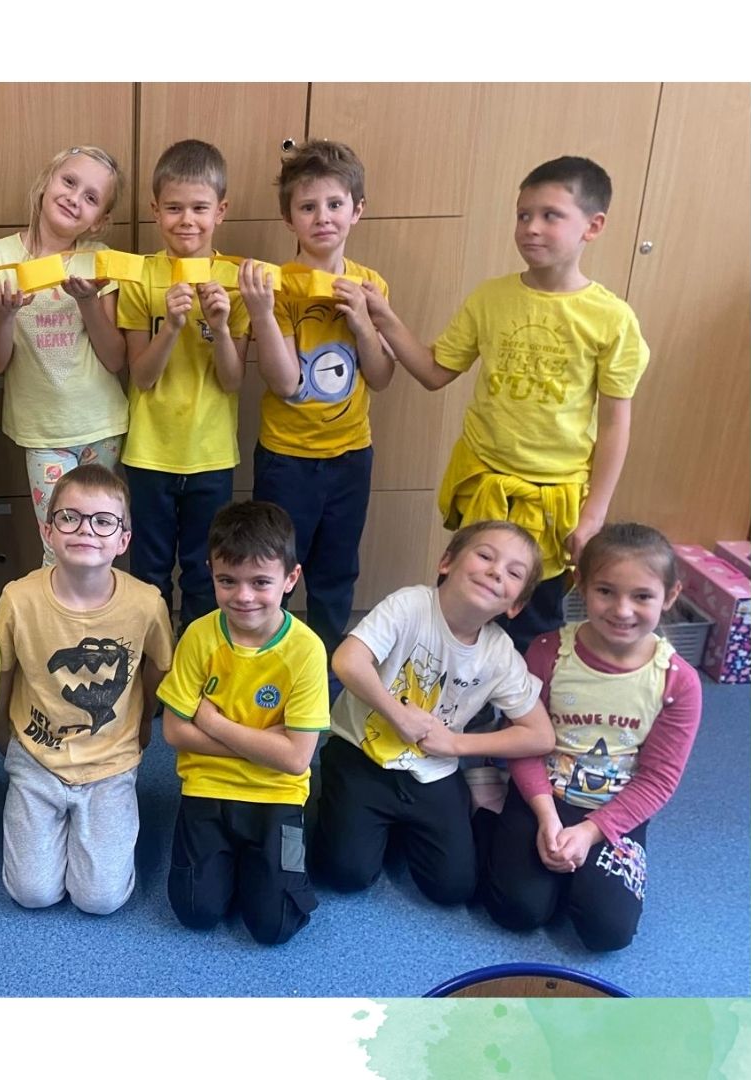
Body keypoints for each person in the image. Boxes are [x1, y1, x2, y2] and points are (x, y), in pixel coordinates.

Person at [362, 156, 651, 650]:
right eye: (523, 215)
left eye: (550, 215)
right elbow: (433, 372)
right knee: (458, 612)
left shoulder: (613, 319)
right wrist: (384, 318)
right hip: (485, 487)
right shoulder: (490, 298)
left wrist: (592, 517)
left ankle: (518, 699)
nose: (530, 227)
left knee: (531, 626)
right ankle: (442, 692)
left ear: (593, 226)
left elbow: (614, 425)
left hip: (553, 500)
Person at [481, 523, 702, 952]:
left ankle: (578, 872)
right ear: (580, 585)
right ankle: (488, 815)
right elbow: (523, 739)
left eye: (642, 596)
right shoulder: (547, 651)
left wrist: (590, 832)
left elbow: (658, 779)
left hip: (617, 811)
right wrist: (547, 817)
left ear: (670, 595)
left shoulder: (678, 681)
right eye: (606, 591)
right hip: (542, 796)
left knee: (608, 932)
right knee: (516, 911)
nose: (622, 610)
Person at [314, 520, 556, 906]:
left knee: (452, 888)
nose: (496, 571)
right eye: (485, 556)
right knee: (346, 874)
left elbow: (540, 735)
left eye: (514, 573)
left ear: (515, 605)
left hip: (433, 769)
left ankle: (412, 817)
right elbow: (347, 660)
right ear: (447, 562)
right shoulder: (410, 605)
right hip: (361, 752)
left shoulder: (499, 653)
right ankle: (358, 813)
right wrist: (397, 714)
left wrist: (457, 745)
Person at [0, 463, 172, 914]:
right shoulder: (17, 599)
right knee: (32, 893)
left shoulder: (146, 603)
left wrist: (145, 724)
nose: (86, 530)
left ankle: (93, 824)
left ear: (123, 539)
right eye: (70, 518)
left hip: (111, 762)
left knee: (101, 899)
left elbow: (158, 666)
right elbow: (3, 673)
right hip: (36, 757)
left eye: (103, 521)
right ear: (48, 531)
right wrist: (1, 733)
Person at [240, 139, 395, 657]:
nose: (323, 217)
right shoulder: (277, 286)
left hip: (351, 455)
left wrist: (363, 323)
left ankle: (326, 669)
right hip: (287, 459)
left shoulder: (371, 285)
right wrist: (261, 313)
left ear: (357, 210)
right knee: (272, 569)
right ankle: (269, 660)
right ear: (289, 219)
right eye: (308, 207)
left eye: (334, 204)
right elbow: (285, 384)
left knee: (336, 571)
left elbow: (381, 376)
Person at [159, 501, 328, 945]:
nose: (244, 596)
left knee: (275, 927)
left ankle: (264, 865)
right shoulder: (199, 635)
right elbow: (173, 732)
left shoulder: (307, 649)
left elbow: (295, 760)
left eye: (261, 582)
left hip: (278, 793)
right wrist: (265, 743)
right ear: (211, 573)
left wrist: (212, 722)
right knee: (196, 912)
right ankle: (236, 865)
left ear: (290, 578)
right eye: (227, 580)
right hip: (207, 785)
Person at [118, 139, 250, 632]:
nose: (187, 221)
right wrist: (171, 326)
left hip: (211, 455)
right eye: (173, 208)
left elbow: (233, 380)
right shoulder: (141, 276)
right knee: (148, 572)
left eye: (199, 208)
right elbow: (141, 376)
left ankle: (197, 657)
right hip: (149, 453)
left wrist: (219, 327)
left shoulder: (234, 279)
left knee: (204, 571)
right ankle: (152, 662)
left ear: (221, 210)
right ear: (155, 210)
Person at [0, 146, 130, 543]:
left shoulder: (99, 259)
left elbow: (115, 358)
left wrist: (88, 302)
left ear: (99, 220)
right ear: (46, 182)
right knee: (60, 544)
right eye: (69, 182)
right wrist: (5, 316)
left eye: (91, 197)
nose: (74, 198)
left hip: (101, 425)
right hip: (43, 432)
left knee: (97, 544)